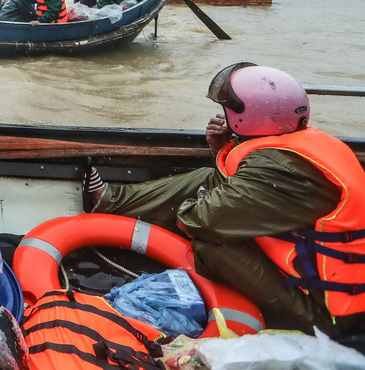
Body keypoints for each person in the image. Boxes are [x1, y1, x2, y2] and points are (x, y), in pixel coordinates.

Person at [84, 63, 365, 335]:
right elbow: (239, 185)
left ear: (247, 117)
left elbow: (201, 221)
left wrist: (193, 208)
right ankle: (109, 201)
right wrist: (223, 148)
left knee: (210, 245)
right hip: (324, 285)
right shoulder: (307, 145)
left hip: (331, 318)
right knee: (208, 178)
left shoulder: (281, 168)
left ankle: (267, 319)